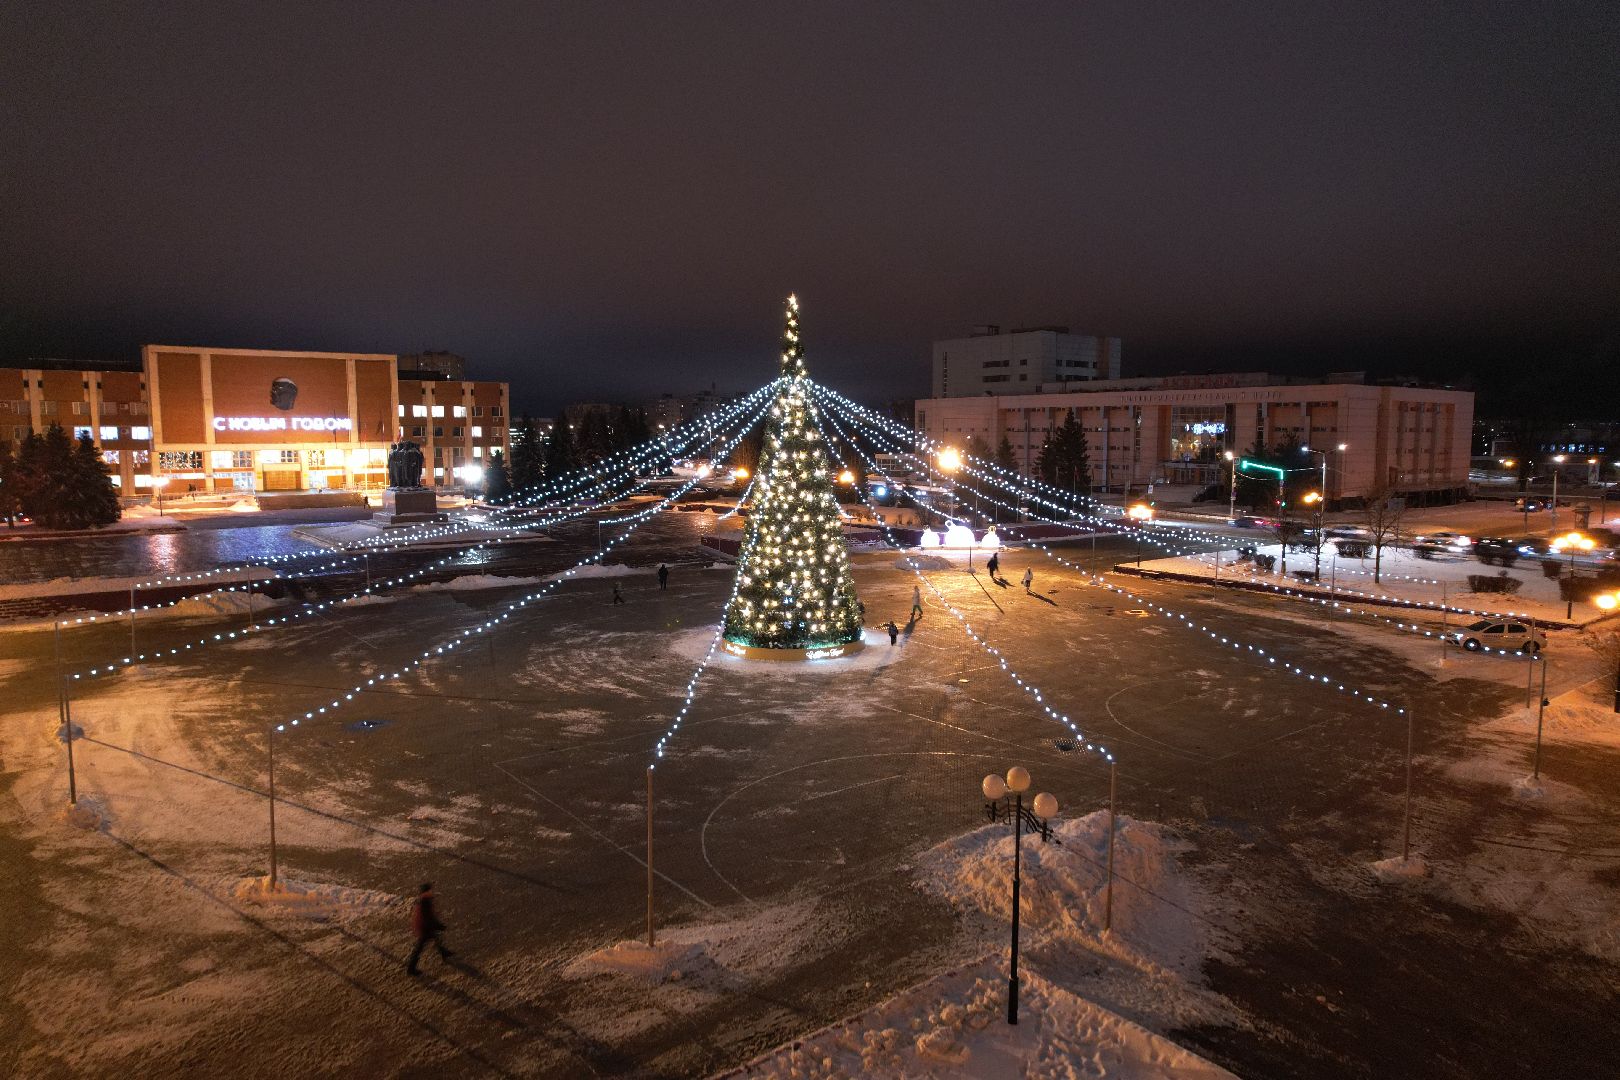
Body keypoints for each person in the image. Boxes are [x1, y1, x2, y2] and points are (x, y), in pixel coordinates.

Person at [406, 882, 451, 975]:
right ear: (426, 891)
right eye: (430, 890)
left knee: (435, 937)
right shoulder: (425, 902)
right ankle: (411, 968)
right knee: (419, 947)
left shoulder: (424, 900)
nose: (432, 891)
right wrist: (438, 925)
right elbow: (428, 917)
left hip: (425, 926)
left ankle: (443, 952)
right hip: (425, 927)